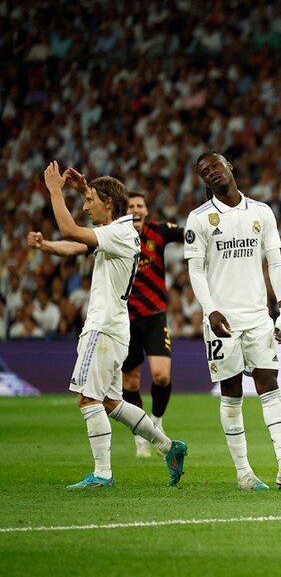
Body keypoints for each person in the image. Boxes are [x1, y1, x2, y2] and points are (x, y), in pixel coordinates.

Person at [29, 162, 187, 488]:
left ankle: (102, 474)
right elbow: (78, 242)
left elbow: (72, 232)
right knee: (113, 403)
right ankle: (168, 447)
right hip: (116, 328)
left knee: (88, 399)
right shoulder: (121, 231)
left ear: (110, 204)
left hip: (102, 329)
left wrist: (56, 191)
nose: (85, 208)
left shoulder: (118, 232)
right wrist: (81, 189)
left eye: (90, 202)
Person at [185, 151, 281, 491]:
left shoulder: (261, 212)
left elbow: (276, 262)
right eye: (203, 171)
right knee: (231, 392)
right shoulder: (199, 219)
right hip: (221, 320)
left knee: (269, 384)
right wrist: (209, 309)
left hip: (258, 316)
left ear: (230, 166)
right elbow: (195, 270)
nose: (211, 173)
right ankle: (244, 474)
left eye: (214, 165)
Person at [122, 191, 184, 457]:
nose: (136, 209)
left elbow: (186, 233)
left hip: (155, 316)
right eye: (131, 206)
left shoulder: (158, 232)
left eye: (140, 205)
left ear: (146, 210)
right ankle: (140, 434)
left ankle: (156, 421)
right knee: (131, 382)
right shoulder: (115, 235)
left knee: (162, 375)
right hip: (124, 320)